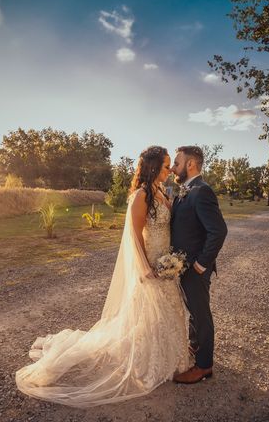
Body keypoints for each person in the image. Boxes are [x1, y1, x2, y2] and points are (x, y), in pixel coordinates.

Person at [15, 146, 189, 407]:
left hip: (166, 264)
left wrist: (170, 262)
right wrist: (145, 268)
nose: (169, 169)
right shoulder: (141, 196)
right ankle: (147, 361)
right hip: (151, 264)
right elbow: (133, 236)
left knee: (169, 311)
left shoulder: (163, 192)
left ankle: (172, 358)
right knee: (148, 313)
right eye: (166, 165)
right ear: (153, 167)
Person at [170, 146, 227, 384]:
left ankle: (204, 366)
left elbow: (219, 231)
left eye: (176, 162)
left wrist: (201, 265)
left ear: (190, 164)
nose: (173, 167)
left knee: (201, 315)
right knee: (193, 310)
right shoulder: (187, 190)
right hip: (183, 266)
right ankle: (195, 345)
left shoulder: (202, 191)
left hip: (195, 267)